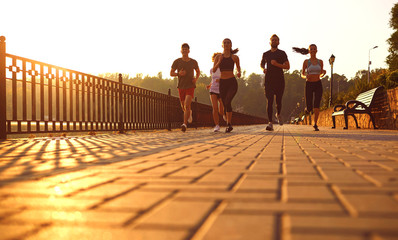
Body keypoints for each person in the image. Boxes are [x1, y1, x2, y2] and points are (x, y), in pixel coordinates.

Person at [293, 44, 326, 131]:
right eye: (311, 49)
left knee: (317, 104)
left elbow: (321, 74)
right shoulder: (306, 62)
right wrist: (306, 76)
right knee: (309, 106)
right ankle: (308, 109)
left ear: (317, 50)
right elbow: (302, 74)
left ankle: (315, 123)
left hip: (318, 83)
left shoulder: (320, 62)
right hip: (309, 84)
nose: (313, 50)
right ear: (309, 51)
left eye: (314, 49)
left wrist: (323, 73)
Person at [260, 34, 290, 131]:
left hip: (279, 80)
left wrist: (276, 64)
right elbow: (261, 64)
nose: (274, 41)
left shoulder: (282, 53)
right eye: (272, 40)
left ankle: (278, 114)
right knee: (269, 101)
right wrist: (263, 69)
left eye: (276, 40)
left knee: (278, 101)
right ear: (270, 42)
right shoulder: (266, 54)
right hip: (269, 80)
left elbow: (287, 66)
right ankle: (270, 123)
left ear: (278, 42)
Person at [213, 38, 241, 133]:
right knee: (225, 103)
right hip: (223, 83)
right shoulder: (218, 57)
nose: (226, 44)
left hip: (232, 82)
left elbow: (238, 68)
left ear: (231, 45)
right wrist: (219, 61)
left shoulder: (234, 57)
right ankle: (228, 123)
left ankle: (229, 124)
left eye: (228, 43)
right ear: (222, 45)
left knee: (228, 100)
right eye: (224, 43)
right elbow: (214, 70)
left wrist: (239, 73)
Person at [170, 43, 200, 132]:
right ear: (181, 51)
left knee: (187, 104)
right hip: (181, 86)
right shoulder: (177, 61)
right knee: (184, 106)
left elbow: (198, 71)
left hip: (190, 86)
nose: (184, 51)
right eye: (183, 49)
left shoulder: (193, 62)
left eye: (186, 49)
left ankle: (184, 124)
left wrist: (196, 79)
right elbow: (171, 73)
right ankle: (189, 113)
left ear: (189, 51)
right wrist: (179, 74)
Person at [207, 52, 226, 132]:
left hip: (221, 90)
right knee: (214, 108)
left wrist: (221, 80)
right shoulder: (212, 70)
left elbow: (226, 78)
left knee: (221, 110)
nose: (217, 60)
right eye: (215, 59)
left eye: (218, 58)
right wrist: (210, 85)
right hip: (213, 89)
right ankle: (217, 125)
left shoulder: (223, 69)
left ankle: (224, 114)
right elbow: (213, 79)